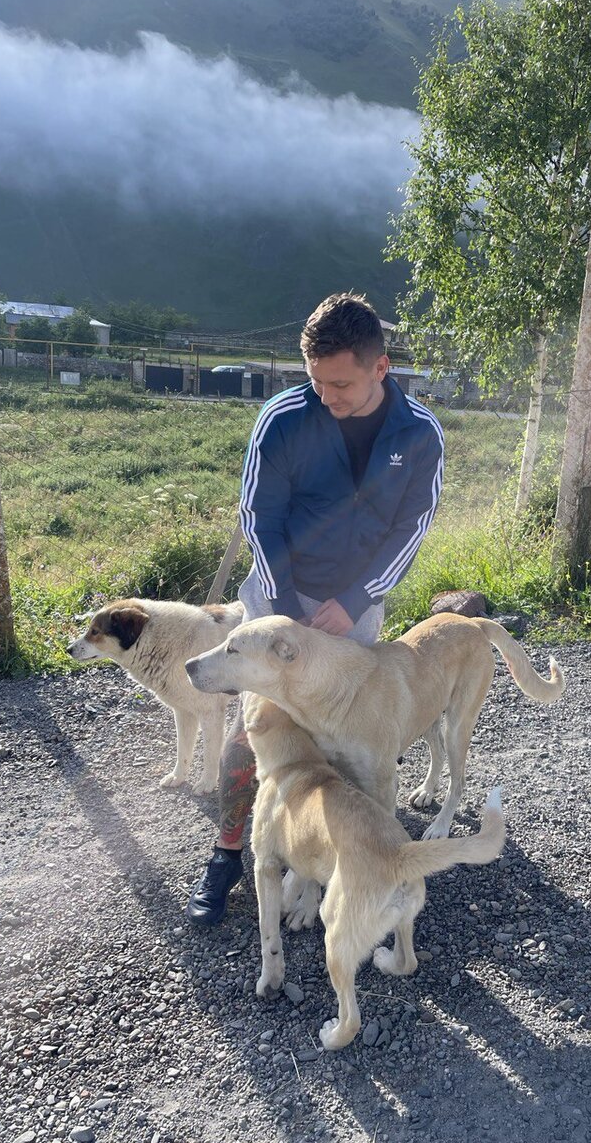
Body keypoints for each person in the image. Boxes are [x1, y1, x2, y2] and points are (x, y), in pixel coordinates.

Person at [185, 292, 445, 925]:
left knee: (343, 742)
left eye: (341, 384)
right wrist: (281, 615)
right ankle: (227, 854)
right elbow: (259, 519)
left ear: (380, 368)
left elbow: (411, 528)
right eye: (315, 382)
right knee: (260, 730)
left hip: (352, 611)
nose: (327, 397)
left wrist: (354, 600)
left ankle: (342, 865)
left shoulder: (419, 434)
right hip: (280, 596)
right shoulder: (282, 419)